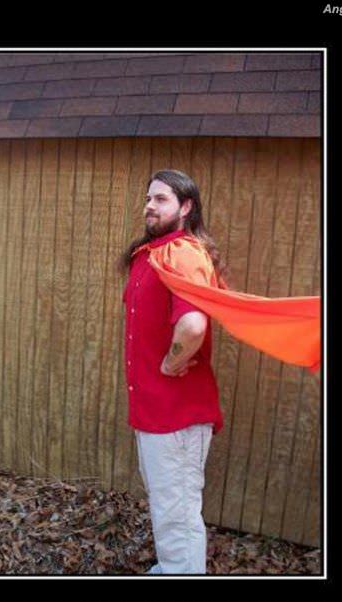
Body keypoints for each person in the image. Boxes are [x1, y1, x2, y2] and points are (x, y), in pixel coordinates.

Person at [117, 169, 226, 575]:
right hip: (155, 412)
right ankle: (172, 567)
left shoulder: (183, 253)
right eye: (148, 198)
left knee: (177, 512)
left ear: (186, 207)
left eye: (161, 199)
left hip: (177, 414)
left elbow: (193, 326)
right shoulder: (153, 254)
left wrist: (170, 363)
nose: (149, 205)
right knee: (168, 505)